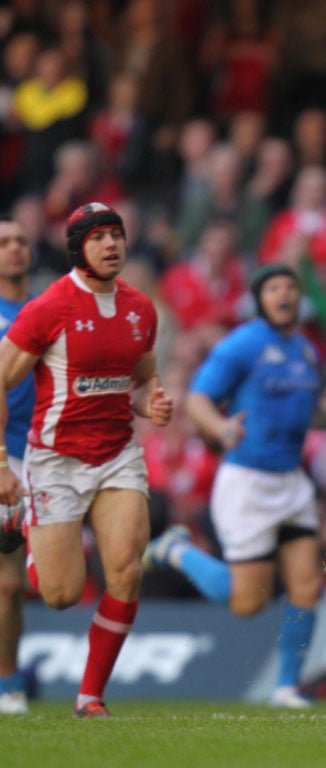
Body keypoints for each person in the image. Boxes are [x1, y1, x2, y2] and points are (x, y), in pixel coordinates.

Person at [0, 202, 173, 719]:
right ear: (79, 248)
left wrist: (153, 402)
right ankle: (31, 531)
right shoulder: (49, 307)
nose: (111, 244)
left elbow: (142, 381)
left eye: (117, 234)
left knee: (125, 571)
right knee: (59, 594)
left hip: (118, 455)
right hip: (54, 460)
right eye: (98, 237)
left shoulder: (142, 307)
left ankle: (89, 696)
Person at [143, 264, 325, 709]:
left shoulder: (305, 350)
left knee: (306, 585)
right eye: (274, 288)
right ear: (260, 299)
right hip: (246, 481)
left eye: (290, 287)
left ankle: (287, 687)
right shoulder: (242, 344)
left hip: (291, 481)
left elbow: (307, 413)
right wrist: (221, 429)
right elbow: (200, 399)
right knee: (246, 602)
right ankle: (174, 549)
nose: (284, 294)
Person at [0, 217, 35, 714]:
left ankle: (8, 679)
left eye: (21, 241)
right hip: (2, 452)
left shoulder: (45, 310)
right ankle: (8, 683)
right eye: (4, 242)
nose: (14, 249)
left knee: (19, 583)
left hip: (39, 455)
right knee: (7, 581)